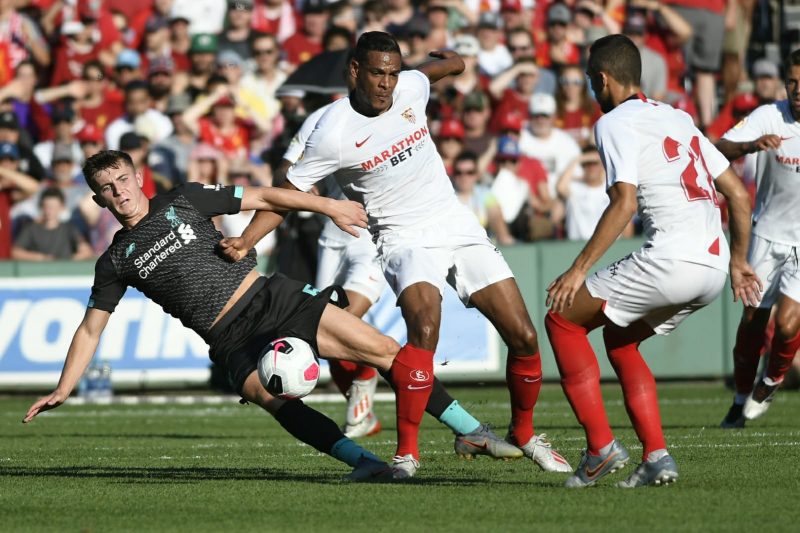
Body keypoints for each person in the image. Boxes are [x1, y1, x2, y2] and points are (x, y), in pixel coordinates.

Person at [223, 32, 571, 479]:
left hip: (456, 224)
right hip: (401, 238)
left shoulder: (410, 86)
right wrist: (248, 240)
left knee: (523, 335)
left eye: (392, 72)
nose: (387, 83)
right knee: (425, 327)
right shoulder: (331, 132)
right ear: (355, 70)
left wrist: (457, 62)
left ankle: (524, 433)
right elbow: (285, 195)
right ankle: (407, 455)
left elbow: (437, 71)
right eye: (377, 73)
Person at [22, 150, 406, 483]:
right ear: (98, 198)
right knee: (272, 400)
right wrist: (64, 388)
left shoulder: (184, 199)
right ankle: (365, 463)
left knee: (384, 349)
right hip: (227, 338)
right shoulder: (115, 261)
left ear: (138, 178)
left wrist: (329, 205)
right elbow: (91, 330)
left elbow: (265, 195)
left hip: (266, 299)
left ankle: (462, 429)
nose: (119, 191)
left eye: (123, 179)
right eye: (108, 188)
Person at [543, 34, 760, 488]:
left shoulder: (615, 122)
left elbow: (622, 204)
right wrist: (739, 261)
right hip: (714, 266)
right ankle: (657, 457)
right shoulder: (678, 117)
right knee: (620, 341)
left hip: (672, 258)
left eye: (589, 80)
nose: (589, 89)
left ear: (602, 79)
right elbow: (738, 194)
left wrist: (577, 269)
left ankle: (600, 449)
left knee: (562, 320)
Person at [715, 49, 800, 427]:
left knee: (786, 325)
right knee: (751, 323)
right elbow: (719, 147)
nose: (798, 90)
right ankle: (739, 398)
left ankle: (771, 380)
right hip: (766, 234)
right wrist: (751, 145)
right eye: (793, 82)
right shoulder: (769, 115)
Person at [11, 187, 94, 261]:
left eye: (53, 207)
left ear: (62, 207)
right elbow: (16, 252)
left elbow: (86, 251)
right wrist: (40, 258)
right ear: (41, 207)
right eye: (46, 206)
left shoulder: (69, 228)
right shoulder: (31, 229)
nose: (49, 211)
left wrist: (69, 261)